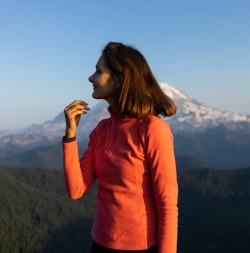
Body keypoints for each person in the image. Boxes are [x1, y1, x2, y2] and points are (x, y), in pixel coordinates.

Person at [62, 42, 178, 253]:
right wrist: (70, 135)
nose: (90, 78)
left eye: (98, 71)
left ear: (118, 79)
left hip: (142, 247)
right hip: (99, 244)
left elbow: (167, 205)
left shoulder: (153, 130)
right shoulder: (100, 130)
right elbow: (76, 190)